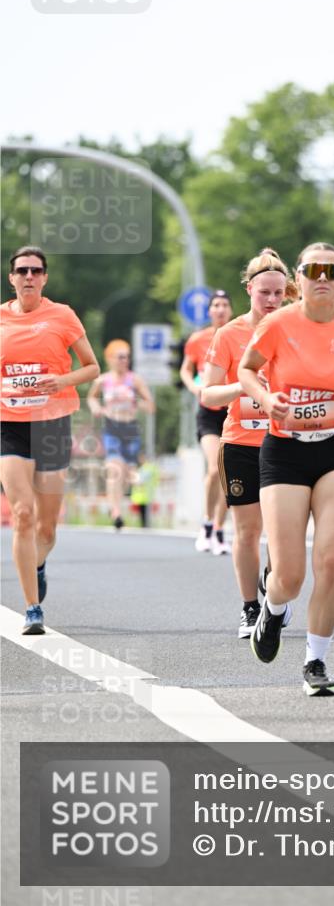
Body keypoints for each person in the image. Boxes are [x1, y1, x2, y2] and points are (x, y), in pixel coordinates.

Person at [238, 242, 334, 695]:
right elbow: (247, 370)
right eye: (312, 270)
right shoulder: (278, 324)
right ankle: (275, 608)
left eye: (332, 270)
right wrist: (267, 400)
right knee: (289, 575)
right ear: (296, 280)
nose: (322, 277)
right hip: (283, 451)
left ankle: (315, 661)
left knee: (331, 559)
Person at [1, 246, 100, 634]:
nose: (28, 276)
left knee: (46, 529)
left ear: (44, 278)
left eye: (36, 271)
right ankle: (31, 608)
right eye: (21, 270)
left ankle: (39, 563)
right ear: (11, 278)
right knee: (22, 515)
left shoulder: (62, 315)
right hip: (10, 424)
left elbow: (92, 367)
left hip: (53, 423)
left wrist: (60, 380)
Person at [201, 249, 297, 638]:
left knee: (280, 531)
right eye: (264, 293)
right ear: (249, 290)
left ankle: (273, 584)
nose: (272, 301)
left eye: (278, 293)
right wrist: (245, 384)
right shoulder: (229, 334)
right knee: (246, 530)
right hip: (240, 441)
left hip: (286, 441)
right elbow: (208, 394)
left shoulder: (296, 329)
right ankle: (249, 608)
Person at [180, 290, 233, 554]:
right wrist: (193, 387)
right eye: (216, 305)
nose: (220, 309)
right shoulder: (198, 339)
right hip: (208, 412)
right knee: (214, 468)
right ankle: (207, 523)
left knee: (228, 472)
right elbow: (185, 369)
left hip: (233, 411)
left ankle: (220, 530)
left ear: (231, 310)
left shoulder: (237, 335)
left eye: (224, 305)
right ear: (209, 311)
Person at [88, 340, 154, 530]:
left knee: (126, 474)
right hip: (112, 427)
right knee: (114, 468)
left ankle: (115, 505)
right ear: (110, 359)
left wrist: (136, 402)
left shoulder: (135, 380)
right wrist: (96, 408)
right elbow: (92, 397)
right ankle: (115, 510)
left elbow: (150, 405)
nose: (124, 361)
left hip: (130, 428)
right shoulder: (103, 380)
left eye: (127, 357)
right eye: (120, 357)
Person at [130, 452, 160, 528]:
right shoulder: (147, 468)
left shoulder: (147, 468)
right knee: (143, 517)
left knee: (145, 517)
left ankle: (146, 527)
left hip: (144, 496)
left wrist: (133, 479)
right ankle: (146, 526)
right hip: (145, 496)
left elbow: (140, 481)